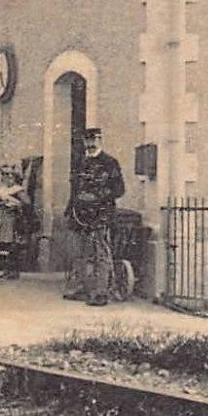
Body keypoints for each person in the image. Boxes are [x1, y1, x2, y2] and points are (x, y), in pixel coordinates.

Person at [65, 127, 127, 306]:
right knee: (79, 253)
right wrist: (70, 208)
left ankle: (101, 293)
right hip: (80, 214)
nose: (90, 144)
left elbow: (119, 189)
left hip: (101, 214)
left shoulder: (110, 163)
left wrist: (97, 197)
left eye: (94, 140)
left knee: (101, 253)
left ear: (100, 140)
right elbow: (75, 188)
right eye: (87, 140)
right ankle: (81, 288)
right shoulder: (80, 162)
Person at [0, 162, 34, 279]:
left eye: (10, 176)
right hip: (2, 219)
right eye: (5, 175)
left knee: (12, 245)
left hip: (13, 220)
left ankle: (13, 270)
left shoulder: (18, 190)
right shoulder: (2, 190)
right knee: (3, 245)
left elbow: (27, 204)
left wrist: (14, 204)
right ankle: (6, 269)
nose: (7, 178)